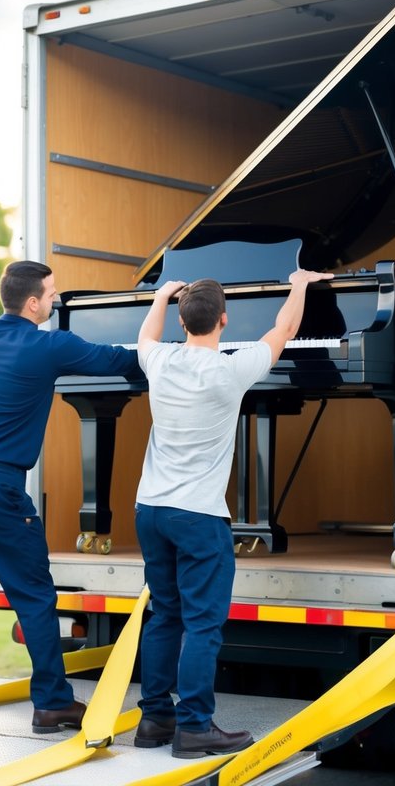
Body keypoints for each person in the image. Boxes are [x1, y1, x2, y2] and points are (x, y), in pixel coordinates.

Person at [0, 260, 139, 731]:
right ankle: (53, 703)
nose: (56, 300)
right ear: (33, 301)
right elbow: (114, 360)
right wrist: (169, 352)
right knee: (34, 594)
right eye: (51, 293)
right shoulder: (49, 345)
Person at [130, 268, 332, 758]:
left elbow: (145, 335)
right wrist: (299, 285)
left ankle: (155, 718)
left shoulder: (159, 361)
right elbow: (283, 329)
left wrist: (159, 297)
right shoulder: (231, 370)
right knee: (202, 623)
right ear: (223, 320)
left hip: (150, 509)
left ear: (182, 322)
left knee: (164, 614)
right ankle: (195, 726)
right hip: (197, 516)